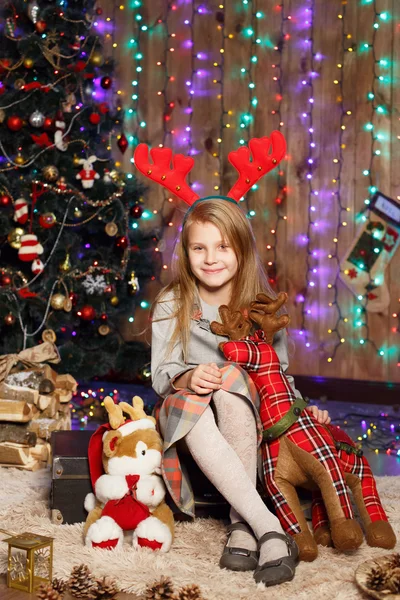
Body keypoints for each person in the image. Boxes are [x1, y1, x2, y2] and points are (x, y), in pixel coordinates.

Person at [150, 198, 331, 586]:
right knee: (196, 396)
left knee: (232, 382)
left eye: (222, 247)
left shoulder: (261, 309)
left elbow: (278, 376)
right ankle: (267, 525)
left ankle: (241, 526)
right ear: (186, 252)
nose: (211, 258)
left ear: (242, 250)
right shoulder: (172, 302)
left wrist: (303, 410)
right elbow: (160, 372)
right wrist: (187, 377)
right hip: (188, 428)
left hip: (244, 423)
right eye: (200, 247)